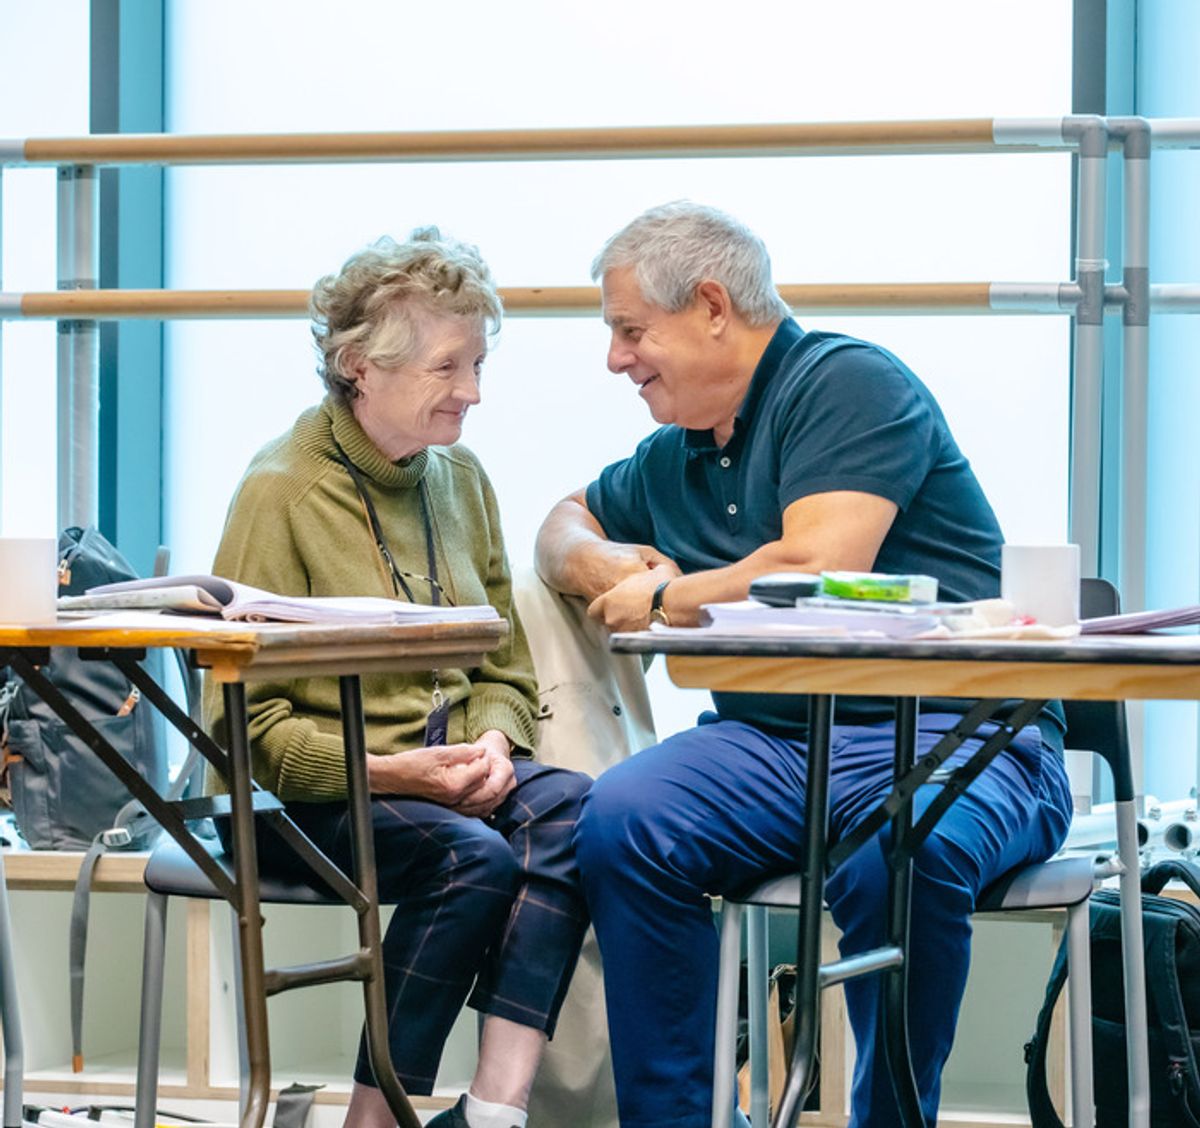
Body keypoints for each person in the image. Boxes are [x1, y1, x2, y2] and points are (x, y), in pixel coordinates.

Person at [534, 201, 1073, 1128]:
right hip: (777, 744)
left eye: (630, 331)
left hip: (964, 732)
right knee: (622, 819)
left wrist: (669, 596)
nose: (616, 360)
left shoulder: (847, 383)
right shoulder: (680, 455)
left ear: (710, 306)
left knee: (898, 861)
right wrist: (607, 563)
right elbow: (560, 523)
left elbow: (816, 563)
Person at [206, 229, 590, 1128]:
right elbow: (242, 729)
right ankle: (373, 1120)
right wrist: (396, 772)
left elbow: (503, 663)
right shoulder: (282, 492)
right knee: (472, 860)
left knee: (579, 811)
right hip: (309, 794)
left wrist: (496, 740)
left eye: (479, 364)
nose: (473, 393)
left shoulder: (462, 480)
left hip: (441, 773)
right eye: (447, 368)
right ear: (358, 367)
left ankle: (495, 1111)